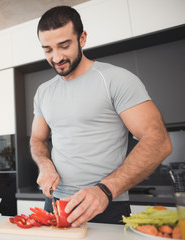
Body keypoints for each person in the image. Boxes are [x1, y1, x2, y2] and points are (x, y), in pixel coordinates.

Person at [30, 6, 172, 227]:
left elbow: (158, 140)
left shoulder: (116, 80)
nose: (56, 57)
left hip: (106, 203)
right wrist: (45, 164)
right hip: (55, 202)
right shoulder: (43, 92)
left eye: (64, 46)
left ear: (83, 38)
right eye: (47, 49)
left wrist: (106, 190)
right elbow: (37, 139)